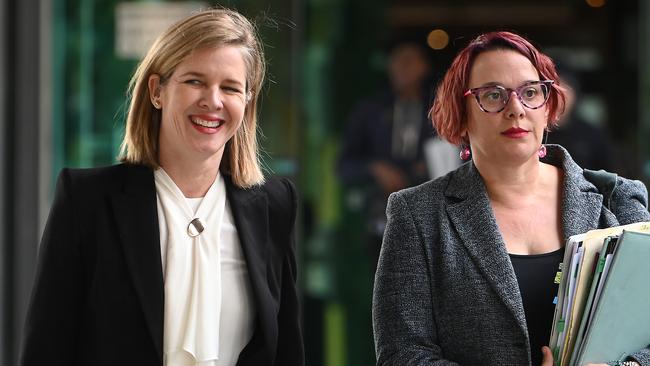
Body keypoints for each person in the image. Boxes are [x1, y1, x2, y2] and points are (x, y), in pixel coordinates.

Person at [19, 8, 303, 366]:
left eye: (230, 87)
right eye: (195, 81)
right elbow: (46, 349)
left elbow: (287, 351)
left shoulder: (274, 206)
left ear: (246, 101)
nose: (212, 101)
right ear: (157, 91)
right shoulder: (87, 201)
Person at [372, 31, 650, 366]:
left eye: (531, 92)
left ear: (548, 108)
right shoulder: (418, 215)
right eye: (493, 95)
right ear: (461, 114)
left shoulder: (616, 200)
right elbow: (403, 354)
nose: (515, 108)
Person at [337, 40, 438, 271]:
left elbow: (461, 157)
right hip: (380, 219)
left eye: (410, 61)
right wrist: (375, 168)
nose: (403, 68)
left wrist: (428, 167)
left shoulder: (440, 110)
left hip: (431, 219)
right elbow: (344, 166)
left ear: (424, 67)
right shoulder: (369, 110)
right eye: (397, 61)